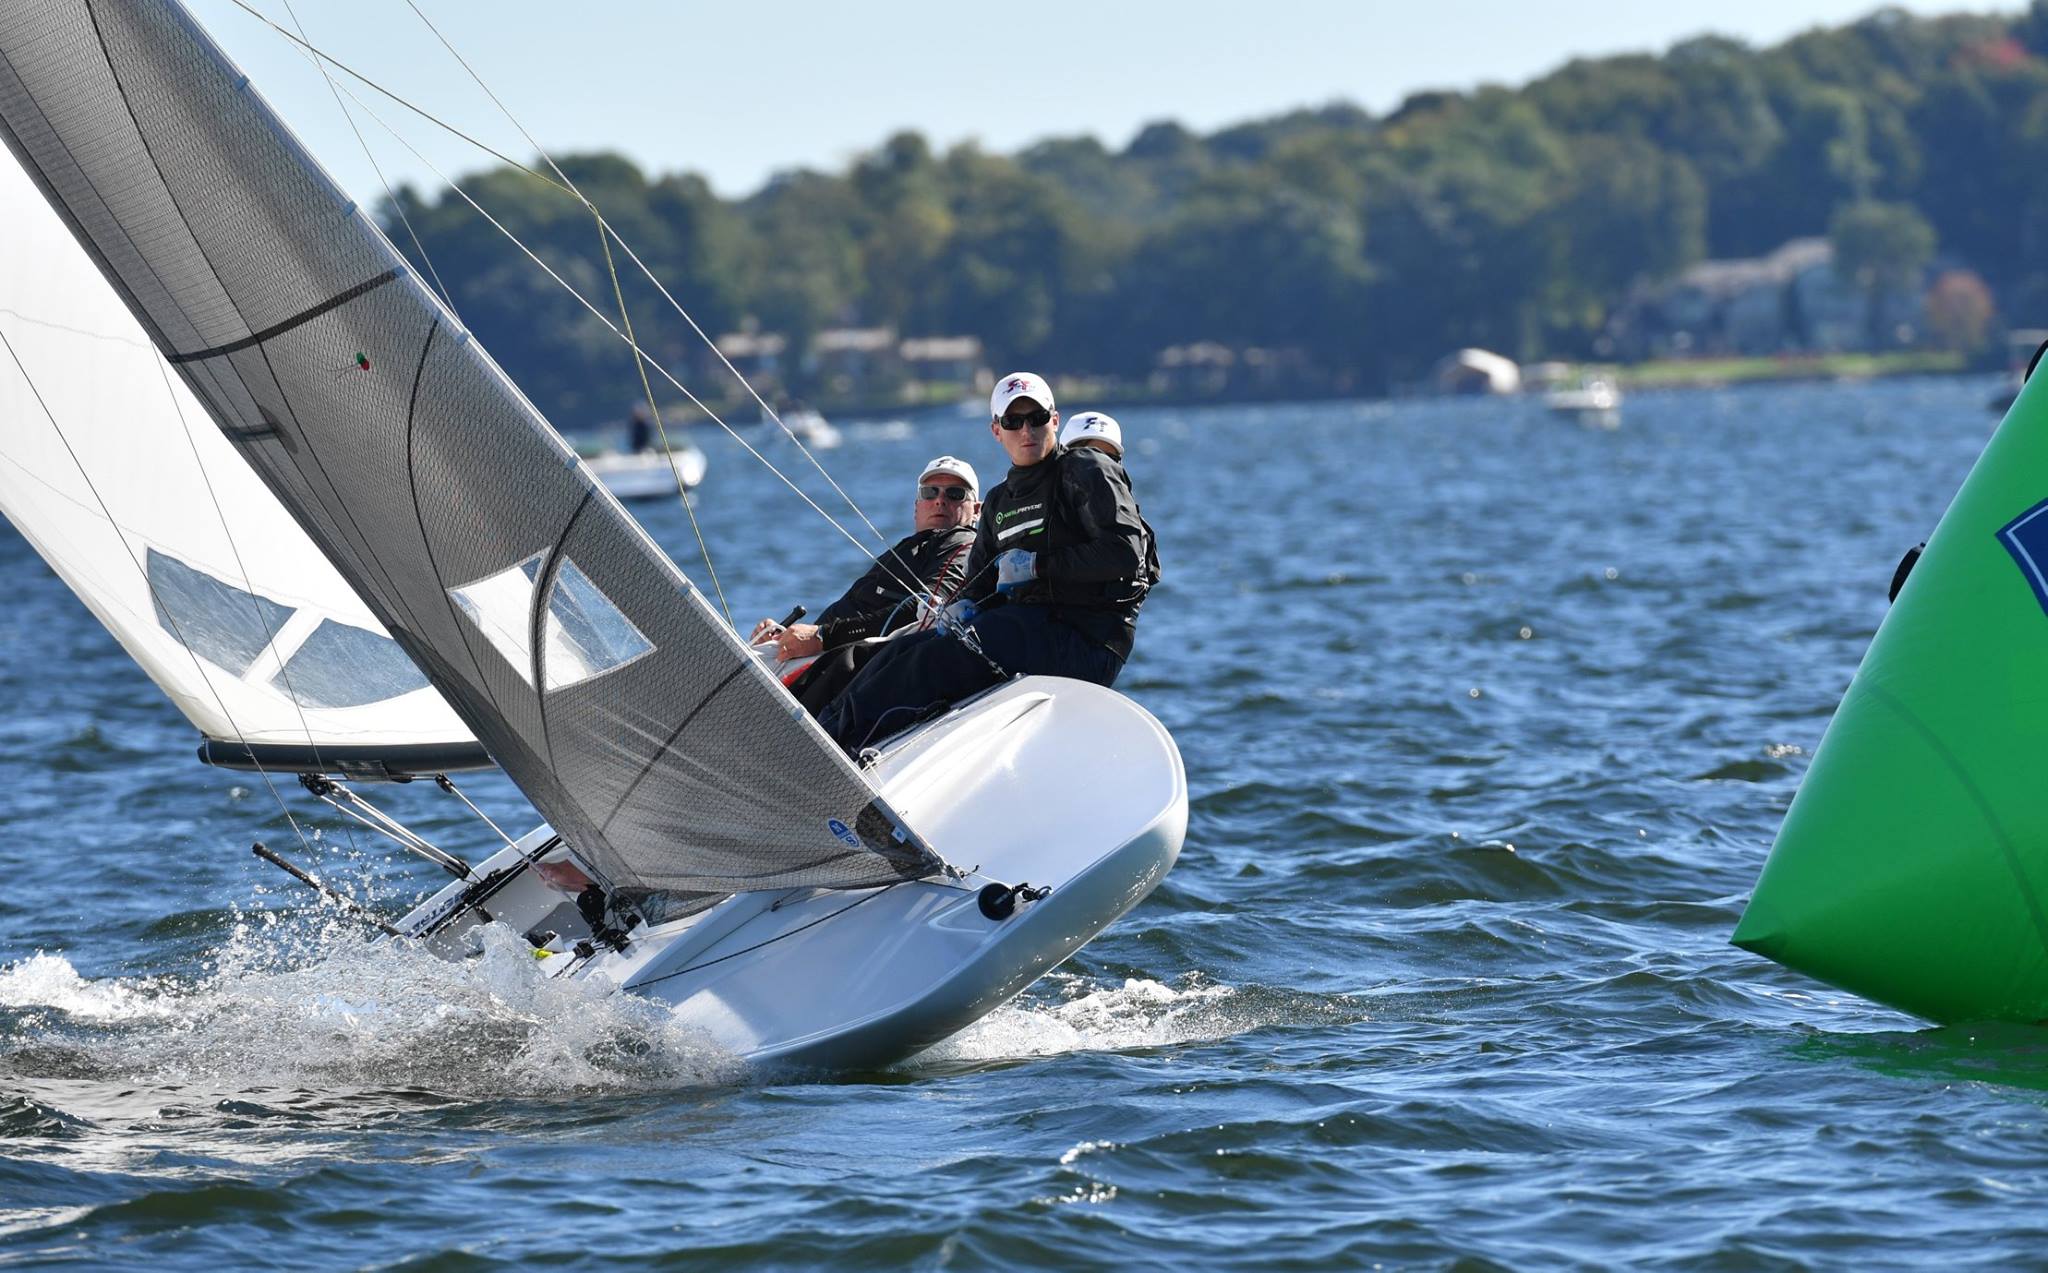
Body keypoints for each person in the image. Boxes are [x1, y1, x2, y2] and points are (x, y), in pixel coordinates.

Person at [817, 372, 1159, 752]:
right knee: (901, 651)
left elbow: (1127, 552)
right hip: (1027, 626)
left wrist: (1038, 566)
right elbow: (978, 583)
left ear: (1055, 421)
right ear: (997, 430)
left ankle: (842, 747)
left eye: (1037, 418)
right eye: (1014, 422)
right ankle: (825, 733)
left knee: (936, 660)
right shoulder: (999, 501)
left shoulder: (1085, 469)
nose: (1026, 430)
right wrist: (960, 605)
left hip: (1088, 638)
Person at [750, 455, 980, 713]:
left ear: (977, 510)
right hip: (821, 655)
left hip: (853, 664)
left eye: (955, 493)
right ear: (917, 505)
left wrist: (824, 636)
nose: (940, 499)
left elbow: (929, 610)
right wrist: (789, 637)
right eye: (930, 492)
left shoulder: (963, 543)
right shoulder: (908, 549)